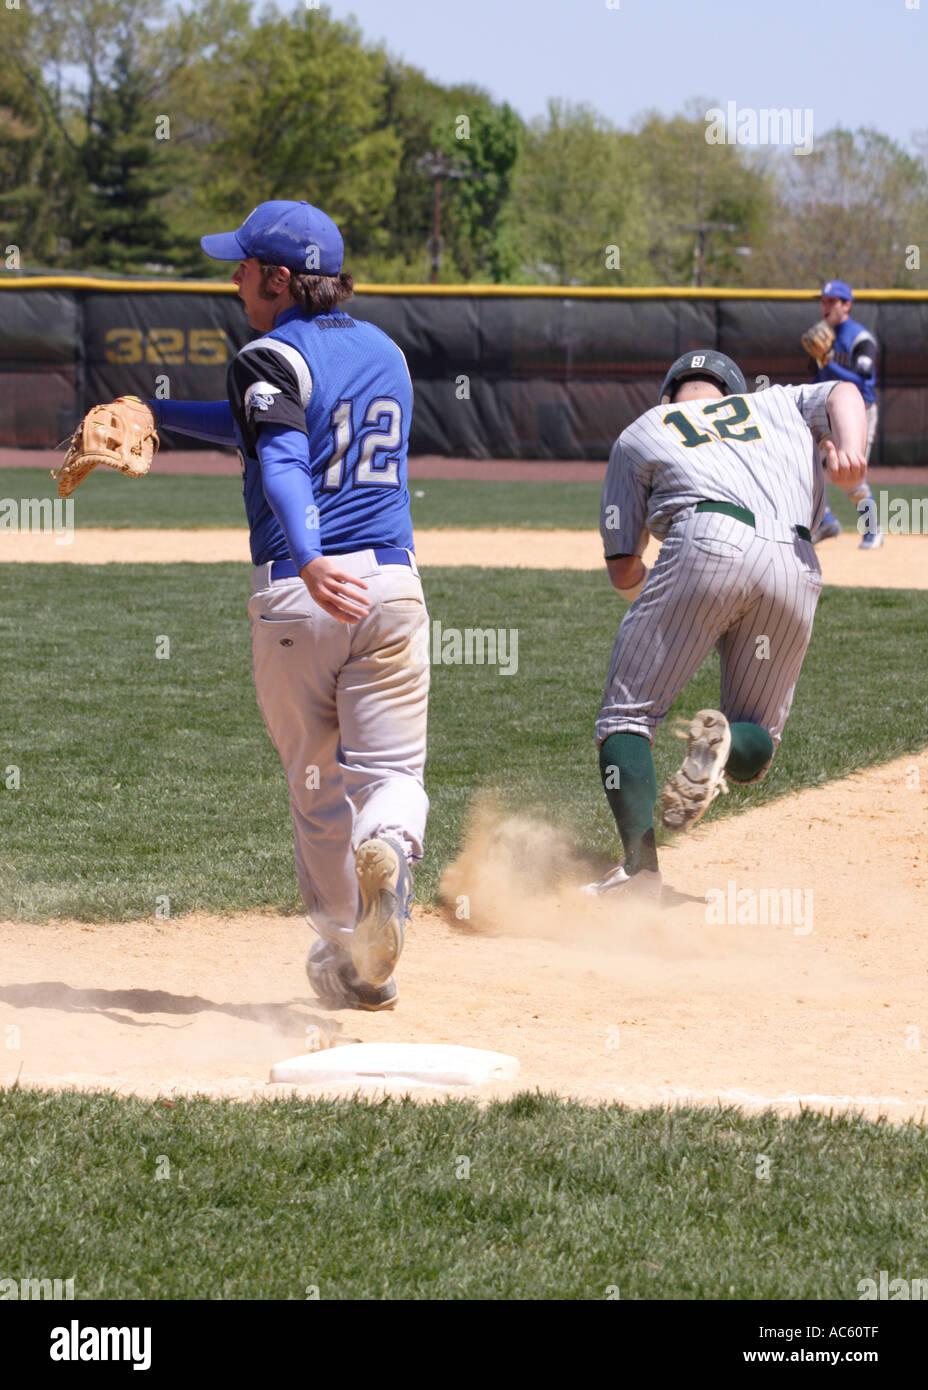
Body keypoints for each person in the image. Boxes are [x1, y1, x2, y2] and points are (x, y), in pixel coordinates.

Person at [149, 200, 430, 1009]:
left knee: (317, 787)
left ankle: (351, 949)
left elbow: (281, 461)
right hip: (390, 587)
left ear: (278, 278)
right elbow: (268, 428)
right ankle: (389, 853)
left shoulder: (267, 355)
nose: (233, 279)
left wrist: (306, 555)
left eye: (242, 266)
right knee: (392, 774)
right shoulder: (388, 353)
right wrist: (161, 416)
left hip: (300, 593)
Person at [583, 349, 868, 897]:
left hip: (705, 539)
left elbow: (624, 569)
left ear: (669, 395)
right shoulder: (776, 404)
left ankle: (639, 873)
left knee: (627, 714)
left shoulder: (644, 428)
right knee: (755, 749)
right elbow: (841, 392)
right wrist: (853, 450)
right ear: (735, 393)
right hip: (796, 561)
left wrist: (675, 606)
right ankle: (727, 743)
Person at [806, 279, 883, 549]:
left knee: (850, 474)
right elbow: (818, 377)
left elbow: (863, 381)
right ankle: (824, 519)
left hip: (858, 410)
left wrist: (828, 361)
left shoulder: (860, 338)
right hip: (825, 409)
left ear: (846, 305)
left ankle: (873, 527)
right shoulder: (823, 334)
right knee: (805, 464)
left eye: (831, 301)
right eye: (823, 301)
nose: (825, 306)